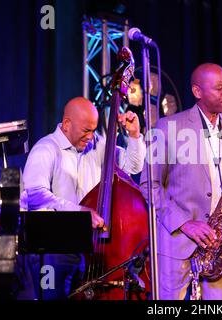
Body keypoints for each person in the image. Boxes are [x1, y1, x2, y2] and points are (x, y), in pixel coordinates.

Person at [140, 63, 222, 300]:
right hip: (176, 242)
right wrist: (185, 223)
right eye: (219, 88)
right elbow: (150, 186)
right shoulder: (166, 127)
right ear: (197, 92)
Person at [22, 97, 146, 299]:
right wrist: (79, 213)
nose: (90, 136)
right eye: (85, 130)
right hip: (55, 249)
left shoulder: (97, 144)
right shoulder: (46, 149)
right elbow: (34, 194)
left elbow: (132, 167)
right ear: (67, 124)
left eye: (93, 130)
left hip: (91, 250)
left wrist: (134, 136)